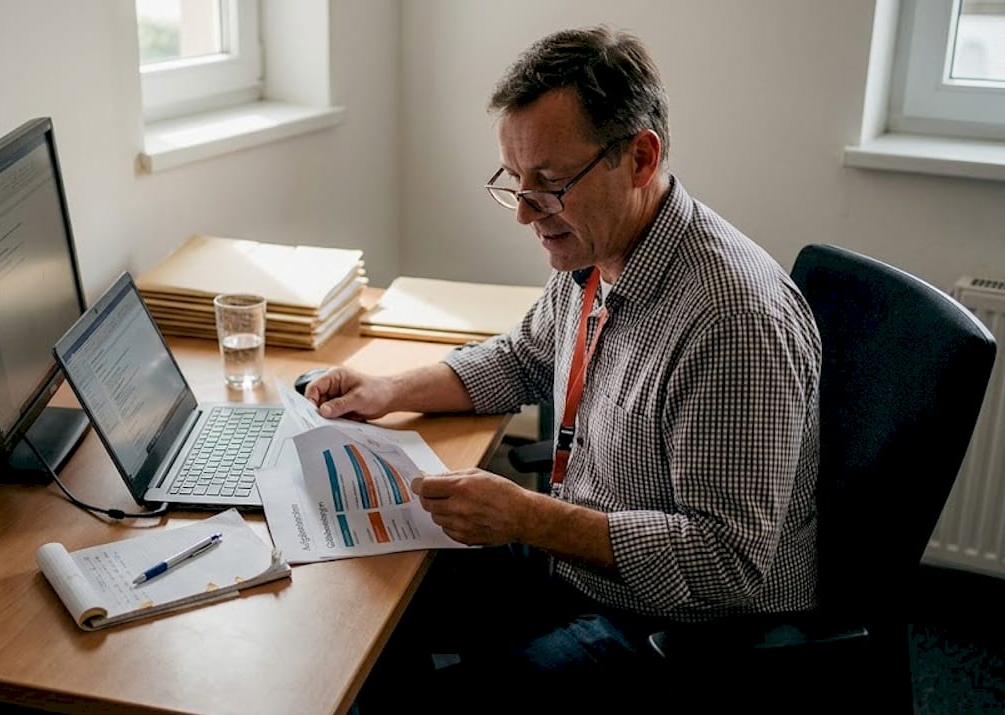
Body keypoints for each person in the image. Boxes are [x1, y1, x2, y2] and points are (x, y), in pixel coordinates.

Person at [305, 26, 821, 710]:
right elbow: (522, 357)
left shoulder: (732, 319)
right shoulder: (595, 250)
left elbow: (727, 563)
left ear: (639, 157)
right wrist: (388, 389)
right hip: (579, 565)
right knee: (364, 594)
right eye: (515, 182)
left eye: (549, 185)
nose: (524, 213)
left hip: (678, 627)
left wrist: (528, 517)